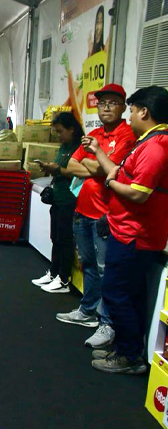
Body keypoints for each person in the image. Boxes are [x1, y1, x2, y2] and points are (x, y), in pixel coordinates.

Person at [84, 86, 168, 374]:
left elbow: (137, 193)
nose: (129, 117)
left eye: (131, 110)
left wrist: (110, 184)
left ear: (144, 111)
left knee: (117, 292)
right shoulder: (147, 142)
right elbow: (118, 172)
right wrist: (97, 153)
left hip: (136, 236)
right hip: (126, 230)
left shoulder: (156, 147)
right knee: (127, 294)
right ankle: (126, 346)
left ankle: (130, 355)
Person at [53, 84, 136, 350]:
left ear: (123, 107)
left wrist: (97, 162)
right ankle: (87, 309)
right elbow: (72, 165)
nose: (106, 108)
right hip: (82, 211)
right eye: (102, 103)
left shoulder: (127, 134)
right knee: (87, 264)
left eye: (112, 103)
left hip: (105, 216)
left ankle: (106, 322)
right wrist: (97, 165)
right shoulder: (94, 133)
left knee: (106, 271)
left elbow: (113, 171)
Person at [34, 112, 84, 293]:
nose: (59, 135)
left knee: (64, 239)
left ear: (72, 129)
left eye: (61, 131)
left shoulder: (80, 148)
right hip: (58, 196)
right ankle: (53, 272)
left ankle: (64, 278)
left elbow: (79, 172)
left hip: (70, 198)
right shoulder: (64, 146)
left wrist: (58, 169)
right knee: (55, 237)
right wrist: (51, 168)